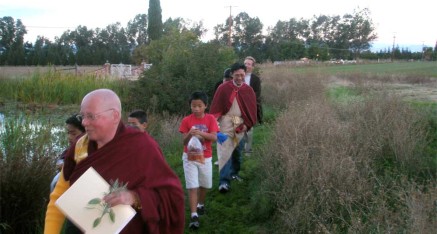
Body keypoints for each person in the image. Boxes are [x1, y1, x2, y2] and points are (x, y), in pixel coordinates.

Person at [44, 89, 185, 234]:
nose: (84, 122)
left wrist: (135, 197)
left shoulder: (142, 146)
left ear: (115, 116)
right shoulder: (80, 147)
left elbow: (171, 197)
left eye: (91, 116)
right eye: (83, 116)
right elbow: (58, 196)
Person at [209, 63, 257, 193]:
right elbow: (216, 107)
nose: (240, 78)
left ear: (245, 74)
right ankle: (224, 182)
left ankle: (234, 173)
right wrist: (215, 124)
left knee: (237, 151)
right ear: (232, 75)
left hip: (240, 124)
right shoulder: (223, 88)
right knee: (225, 152)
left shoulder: (248, 90)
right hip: (225, 122)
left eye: (242, 75)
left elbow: (252, 110)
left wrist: (246, 125)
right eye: (237, 75)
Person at [179, 91, 218, 229]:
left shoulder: (211, 119)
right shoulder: (186, 121)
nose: (196, 108)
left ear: (205, 106)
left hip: (205, 157)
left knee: (204, 184)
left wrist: (200, 133)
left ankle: (201, 204)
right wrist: (190, 134)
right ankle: (194, 215)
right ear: (190, 106)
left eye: (199, 106)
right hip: (189, 157)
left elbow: (214, 137)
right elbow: (184, 142)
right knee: (192, 186)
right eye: (193, 106)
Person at [50, 114, 85, 193]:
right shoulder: (70, 150)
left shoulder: (90, 150)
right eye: (68, 133)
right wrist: (62, 164)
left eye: (73, 133)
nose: (69, 137)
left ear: (85, 133)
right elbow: (61, 160)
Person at [243, 56, 263, 154]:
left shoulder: (255, 79)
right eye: (245, 63)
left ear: (252, 67)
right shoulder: (238, 76)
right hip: (238, 106)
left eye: (249, 64)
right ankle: (238, 148)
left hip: (250, 107)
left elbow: (257, 94)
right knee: (237, 127)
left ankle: (248, 150)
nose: (247, 65)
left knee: (249, 129)